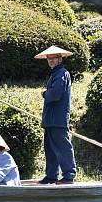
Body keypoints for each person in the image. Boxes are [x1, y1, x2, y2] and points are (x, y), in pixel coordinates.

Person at [35, 45, 76, 185]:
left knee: (63, 147)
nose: (51, 61)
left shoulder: (63, 73)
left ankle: (69, 175)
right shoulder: (55, 74)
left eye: (54, 58)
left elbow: (55, 94)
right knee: (50, 149)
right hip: (50, 118)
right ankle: (51, 175)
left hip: (58, 118)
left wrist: (45, 94)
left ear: (60, 59)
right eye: (49, 58)